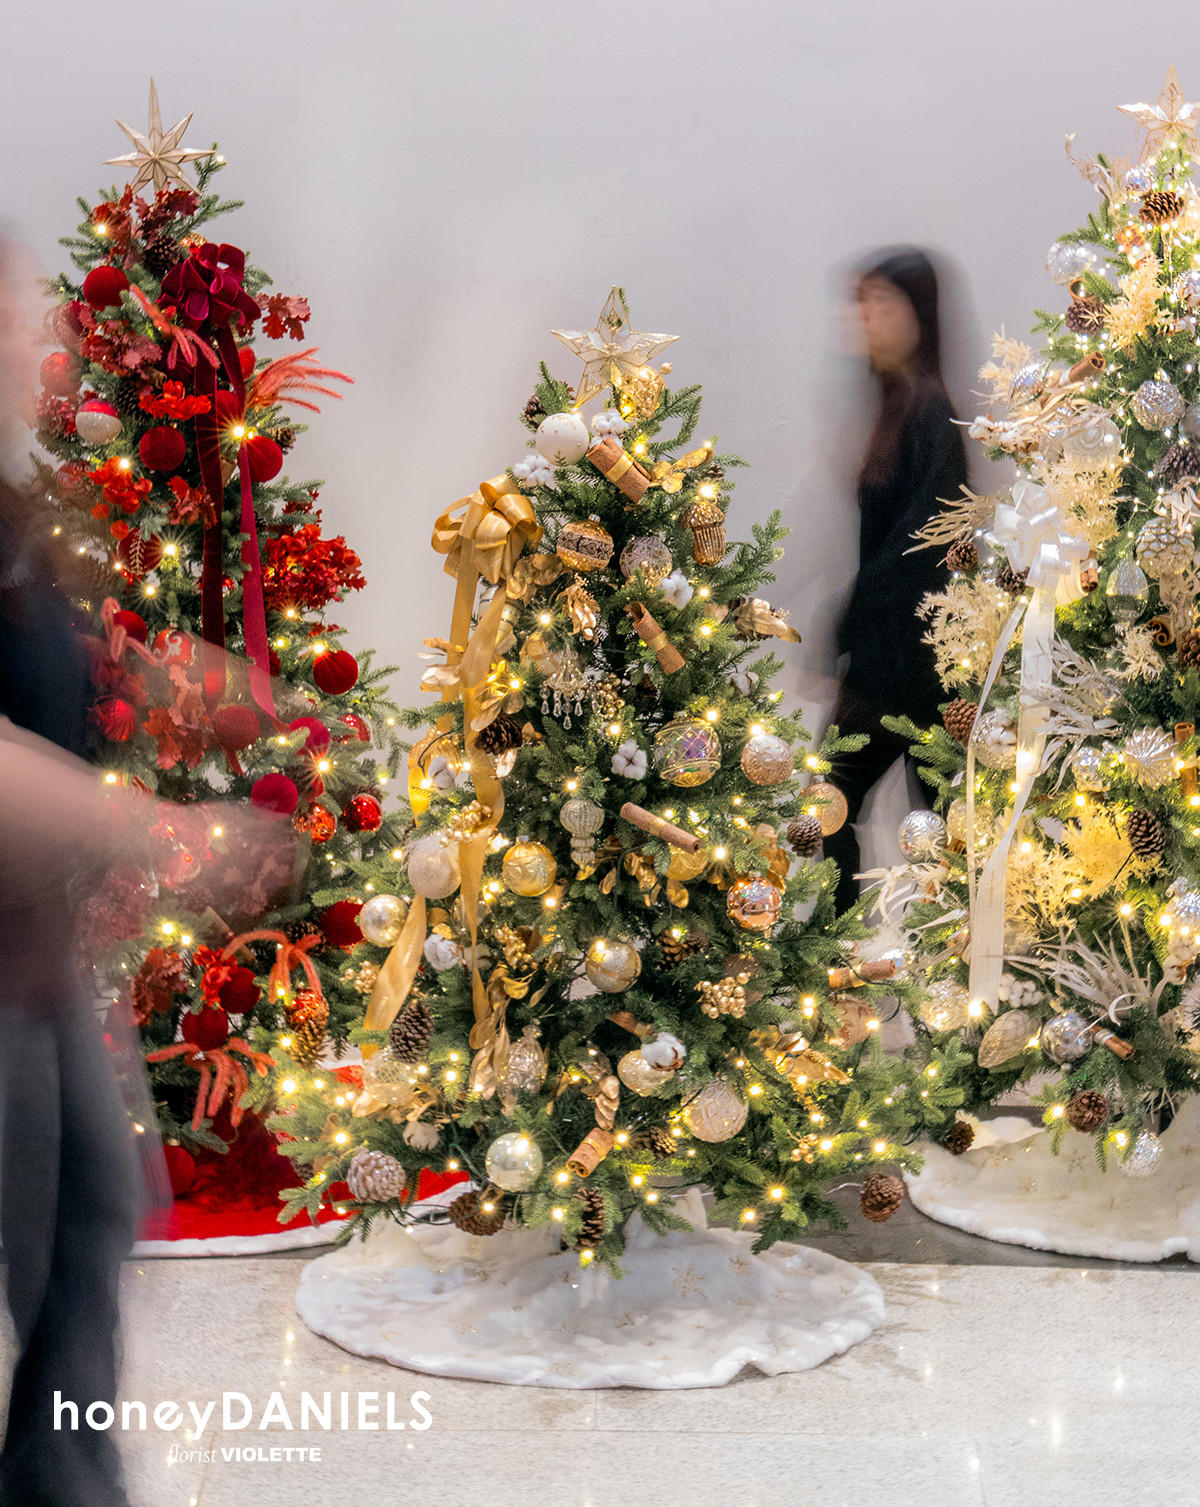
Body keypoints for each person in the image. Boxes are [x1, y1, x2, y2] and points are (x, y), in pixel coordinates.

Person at [825, 248, 968, 914]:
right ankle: (849, 954)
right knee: (931, 831)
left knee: (840, 808)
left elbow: (918, 550)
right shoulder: (901, 407)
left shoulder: (931, 414)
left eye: (881, 303)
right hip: (894, 659)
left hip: (912, 667)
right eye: (862, 303)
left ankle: (844, 954)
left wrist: (844, 629)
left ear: (918, 314)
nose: (865, 318)